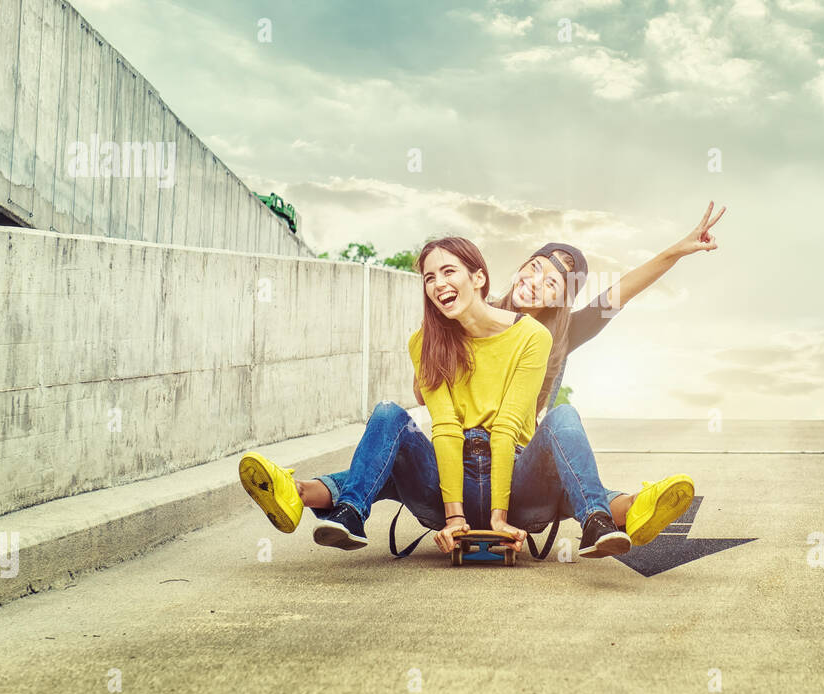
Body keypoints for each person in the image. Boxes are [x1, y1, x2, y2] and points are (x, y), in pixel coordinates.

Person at [237, 235, 631, 559]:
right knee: (390, 417)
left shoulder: (536, 336)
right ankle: (346, 512)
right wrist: (453, 516)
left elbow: (508, 426)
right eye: (429, 277)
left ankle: (604, 516)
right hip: (447, 478)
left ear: (479, 278)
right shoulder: (426, 341)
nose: (439, 283)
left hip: (515, 483)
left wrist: (497, 516)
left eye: (448, 272)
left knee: (563, 419)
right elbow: (443, 427)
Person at [411, 202, 725, 545]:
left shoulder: (563, 333)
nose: (534, 283)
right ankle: (343, 501)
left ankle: (632, 508)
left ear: (561, 298)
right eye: (533, 268)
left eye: (551, 283)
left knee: (565, 458)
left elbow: (624, 290)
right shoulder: (474, 310)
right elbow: (423, 392)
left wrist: (678, 250)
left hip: (516, 465)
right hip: (458, 464)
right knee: (380, 453)